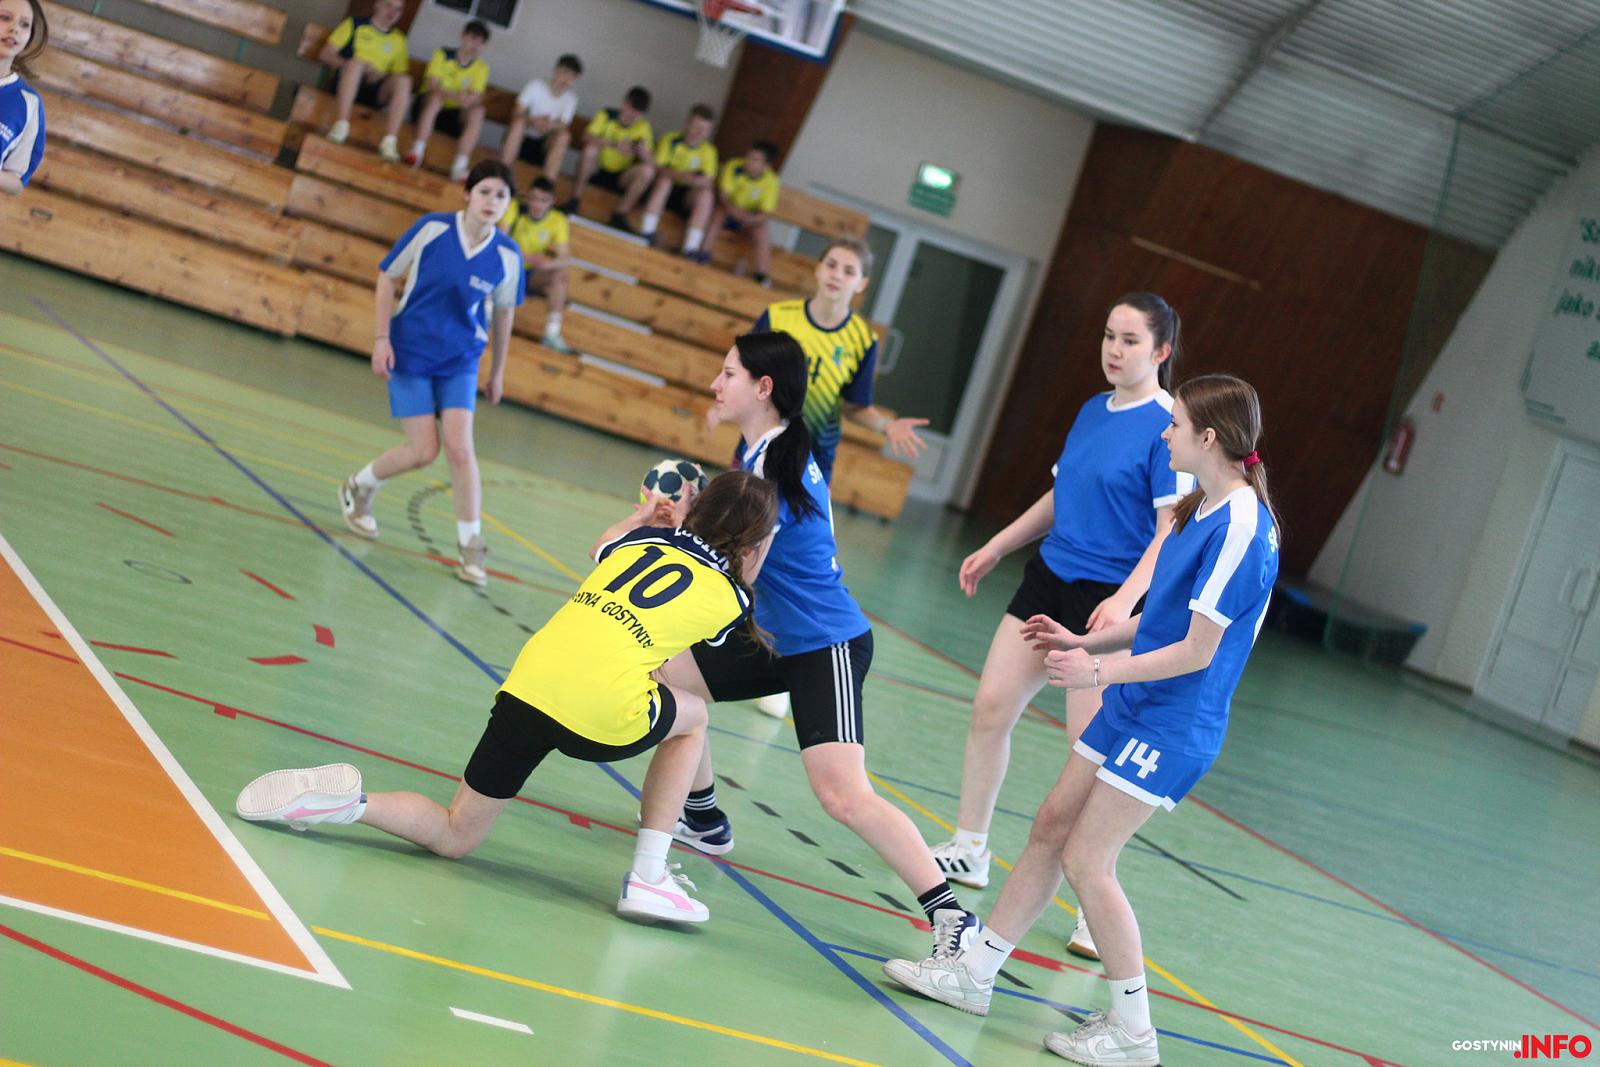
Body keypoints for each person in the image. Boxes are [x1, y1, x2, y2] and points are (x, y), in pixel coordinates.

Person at [882, 374, 1280, 1067]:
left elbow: (1196, 652)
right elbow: (1158, 622)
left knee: (1089, 859)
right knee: (1050, 827)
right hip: (1135, 701)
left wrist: (1096, 674)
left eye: (1177, 424)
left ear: (1209, 437)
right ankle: (975, 973)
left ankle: (1134, 1032)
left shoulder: (1242, 528)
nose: (1166, 432)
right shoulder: (1199, 505)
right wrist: (1082, 643)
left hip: (1172, 723)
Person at [238, 472, 779, 926]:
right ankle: (648, 875)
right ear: (752, 546)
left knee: (455, 834)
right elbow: (688, 640)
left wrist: (644, 519)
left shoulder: (638, 544)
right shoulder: (731, 596)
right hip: (598, 711)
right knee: (694, 718)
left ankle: (348, 805)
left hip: (526, 686)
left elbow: (604, 545)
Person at [647, 331, 980, 953]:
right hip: (773, 634)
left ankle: (955, 923)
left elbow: (740, 573)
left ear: (762, 388)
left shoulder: (773, 462)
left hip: (824, 644)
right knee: (665, 677)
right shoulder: (763, 450)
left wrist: (675, 534)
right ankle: (705, 818)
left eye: (728, 374)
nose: (716, 384)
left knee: (843, 795)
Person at [929, 293, 1190, 961]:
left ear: (1161, 351)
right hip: (1050, 578)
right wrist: (998, 545)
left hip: (1105, 600)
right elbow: (1060, 495)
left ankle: (1090, 902)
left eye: (1130, 340)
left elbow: (1169, 529)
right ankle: (970, 845)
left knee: (1088, 755)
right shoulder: (1091, 410)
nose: (1114, 349)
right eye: (1109, 335)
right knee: (991, 706)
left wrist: (1125, 601)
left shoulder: (1167, 427)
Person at [336, 161, 523, 586]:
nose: (492, 201)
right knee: (423, 451)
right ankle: (359, 486)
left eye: (502, 196)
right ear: (467, 193)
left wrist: (498, 371)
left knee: (461, 450)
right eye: (485, 192)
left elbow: (504, 314)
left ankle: (470, 546)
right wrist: (381, 338)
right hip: (412, 351)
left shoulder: (508, 256)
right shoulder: (432, 229)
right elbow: (387, 277)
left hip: (461, 360)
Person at [750, 240, 928, 485]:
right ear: (818, 268)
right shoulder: (777, 317)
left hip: (813, 457)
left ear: (862, 284)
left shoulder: (862, 341)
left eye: (849, 271)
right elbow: (744, 374)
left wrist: (887, 426)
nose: (837, 275)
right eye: (831, 265)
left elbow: (856, 406)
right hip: (759, 444)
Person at [319, 0, 412, 163]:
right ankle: (341, 125)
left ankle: (389, 141)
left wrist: (380, 75)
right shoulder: (355, 24)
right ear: (377, 4)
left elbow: (398, 74)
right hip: (347, 81)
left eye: (398, 9)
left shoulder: (399, 39)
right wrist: (356, 66)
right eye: (389, 5)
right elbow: (325, 54)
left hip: (376, 90)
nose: (393, 12)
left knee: (404, 81)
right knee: (357, 63)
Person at [407, 20, 491, 181]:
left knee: (478, 111)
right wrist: (455, 95)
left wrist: (466, 99)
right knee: (436, 99)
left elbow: (475, 95)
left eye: (481, 42)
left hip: (454, 116)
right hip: (427, 108)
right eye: (473, 38)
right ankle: (416, 152)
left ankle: (459, 167)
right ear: (463, 36)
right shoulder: (443, 54)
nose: (476, 45)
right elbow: (432, 84)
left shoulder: (482, 67)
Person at [562, 86, 653, 230]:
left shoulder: (643, 127)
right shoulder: (606, 114)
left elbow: (651, 162)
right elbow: (586, 137)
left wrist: (641, 152)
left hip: (622, 177)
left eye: (638, 112)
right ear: (624, 103)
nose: (632, 114)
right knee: (590, 150)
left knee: (647, 170)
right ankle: (574, 200)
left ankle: (620, 214)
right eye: (631, 108)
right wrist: (614, 144)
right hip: (597, 168)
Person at [502, 176, 572, 352]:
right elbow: (499, 242)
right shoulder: (515, 208)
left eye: (543, 200)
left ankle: (552, 332)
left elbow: (565, 257)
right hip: (507, 268)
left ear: (552, 201)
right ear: (527, 197)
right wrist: (526, 256)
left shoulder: (558, 220)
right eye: (534, 198)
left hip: (530, 274)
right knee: (495, 260)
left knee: (560, 275)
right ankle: (487, 313)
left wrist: (548, 264)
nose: (537, 205)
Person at [638, 104, 717, 255]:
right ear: (687, 124)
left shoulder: (709, 151)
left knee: (706, 195)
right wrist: (684, 176)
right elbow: (659, 167)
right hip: (663, 192)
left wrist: (685, 177)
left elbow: (707, 181)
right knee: (664, 181)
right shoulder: (670, 139)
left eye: (705, 129)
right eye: (697, 127)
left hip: (686, 198)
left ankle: (690, 249)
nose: (699, 132)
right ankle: (646, 232)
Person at [701, 140, 781, 281]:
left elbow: (766, 213)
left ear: (766, 166)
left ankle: (762, 275)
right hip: (729, 213)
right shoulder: (734, 166)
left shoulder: (772, 181)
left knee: (762, 230)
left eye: (755, 160)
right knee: (719, 212)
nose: (748, 161)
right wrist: (734, 211)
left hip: (749, 220)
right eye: (748, 157)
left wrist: (749, 219)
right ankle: (703, 254)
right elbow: (723, 196)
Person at [500, 53, 582, 174]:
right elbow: (516, 112)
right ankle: (502, 171)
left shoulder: (571, 99)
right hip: (523, 136)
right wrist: (534, 120)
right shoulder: (536, 85)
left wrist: (550, 125)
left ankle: (547, 182)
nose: (567, 80)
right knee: (518, 123)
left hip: (545, 144)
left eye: (572, 76)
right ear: (555, 70)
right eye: (565, 72)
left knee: (564, 136)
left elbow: (564, 125)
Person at [0, 0, 45, 197]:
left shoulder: (28, 103)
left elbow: (17, 181)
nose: (15, 29)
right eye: (5, 18)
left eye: (25, 24)